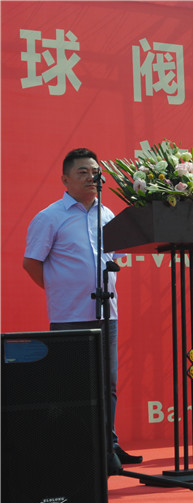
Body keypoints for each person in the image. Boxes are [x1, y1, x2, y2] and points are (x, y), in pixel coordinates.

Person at [23, 147, 142, 464]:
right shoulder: (50, 217)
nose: (92, 177)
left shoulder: (108, 215)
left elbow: (114, 258)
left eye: (95, 172)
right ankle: (76, 450)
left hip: (107, 314)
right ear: (65, 179)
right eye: (83, 172)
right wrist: (60, 290)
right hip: (69, 316)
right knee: (71, 385)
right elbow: (31, 263)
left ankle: (108, 446)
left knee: (108, 384)